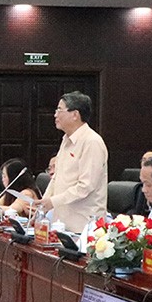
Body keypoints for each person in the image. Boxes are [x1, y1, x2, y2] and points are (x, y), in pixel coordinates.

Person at [39, 91, 108, 232]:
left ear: (75, 114)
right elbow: (57, 177)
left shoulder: (92, 142)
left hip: (83, 226)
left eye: (59, 110)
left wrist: (53, 201)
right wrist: (43, 203)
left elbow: (86, 186)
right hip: (61, 223)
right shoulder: (66, 140)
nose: (55, 115)